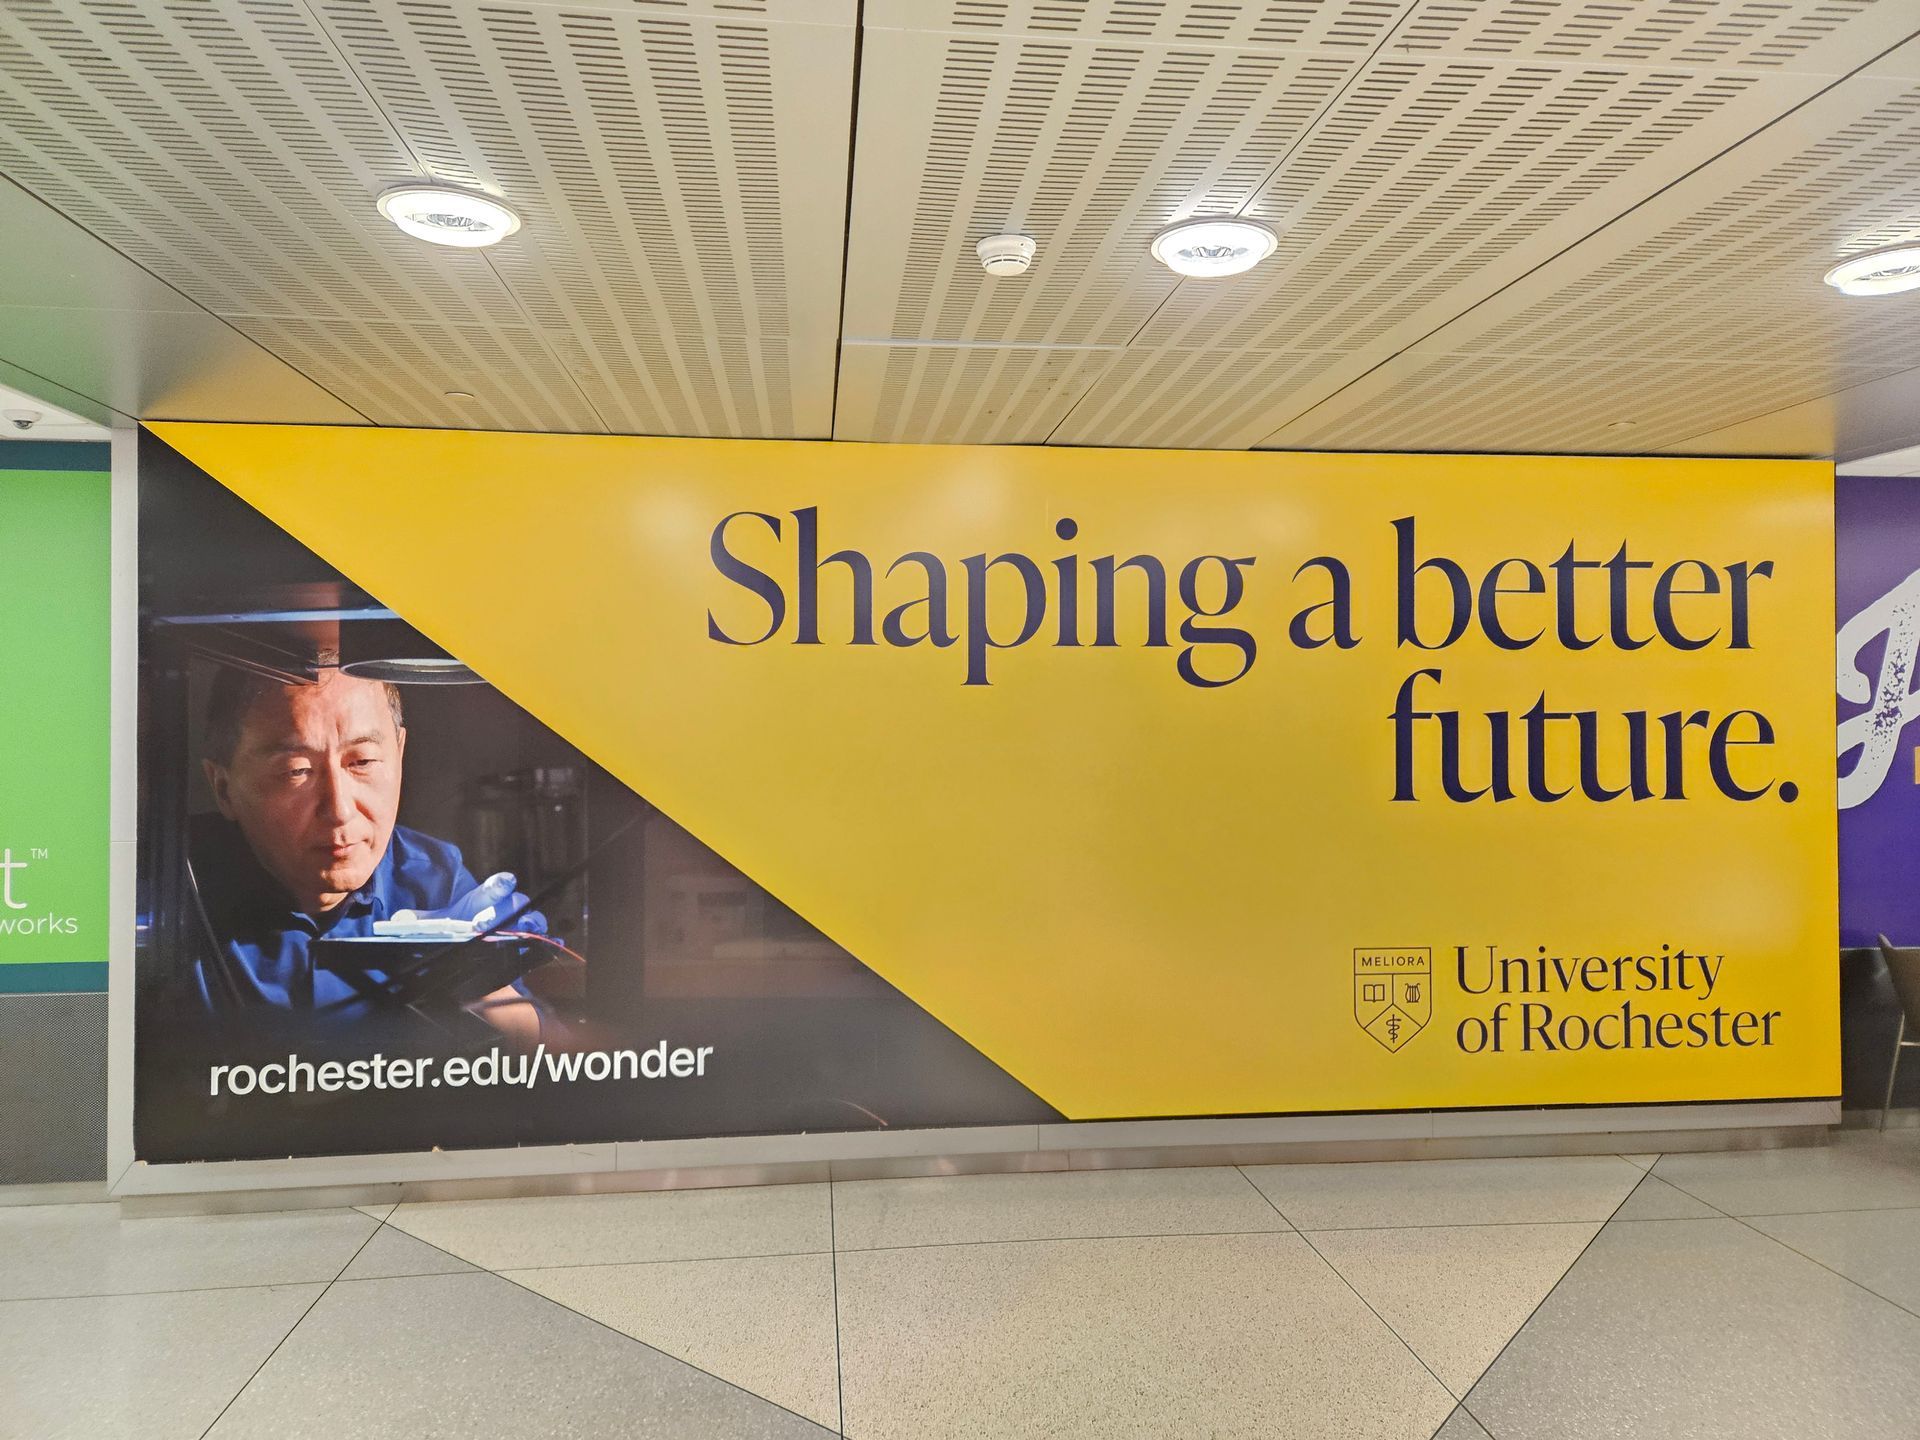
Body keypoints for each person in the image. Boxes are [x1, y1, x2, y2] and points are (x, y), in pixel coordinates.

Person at [187, 657, 548, 1035]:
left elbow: (546, 1049)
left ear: (399, 753)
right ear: (223, 788)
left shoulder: (432, 880)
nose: (340, 810)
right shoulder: (169, 891)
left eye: (362, 761)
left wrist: (477, 983)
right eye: (296, 770)